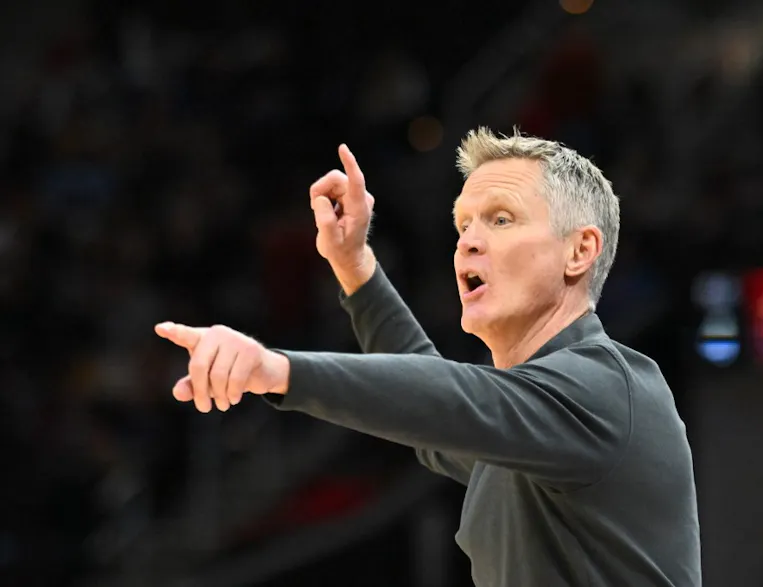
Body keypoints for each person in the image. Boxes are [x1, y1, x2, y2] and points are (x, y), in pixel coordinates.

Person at [155, 128, 702, 586]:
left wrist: (278, 369)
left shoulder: (610, 386)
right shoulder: (530, 433)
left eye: (501, 219)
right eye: (464, 223)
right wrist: (355, 266)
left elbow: (447, 399)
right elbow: (432, 410)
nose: (468, 240)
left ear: (580, 251)